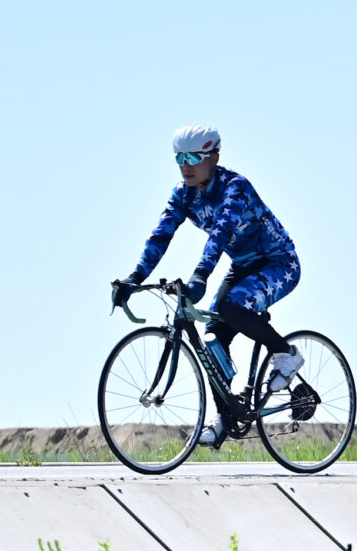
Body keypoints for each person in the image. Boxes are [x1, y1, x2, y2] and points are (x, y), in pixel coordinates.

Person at [117, 127, 303, 443]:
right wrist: (134, 279)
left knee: (231, 308)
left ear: (214, 157)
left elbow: (220, 235)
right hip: (243, 267)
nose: (185, 165)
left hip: (278, 263)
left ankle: (285, 352)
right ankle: (224, 417)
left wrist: (200, 276)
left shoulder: (235, 188)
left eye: (193, 157)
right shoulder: (184, 194)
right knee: (213, 337)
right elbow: (161, 235)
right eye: (179, 158)